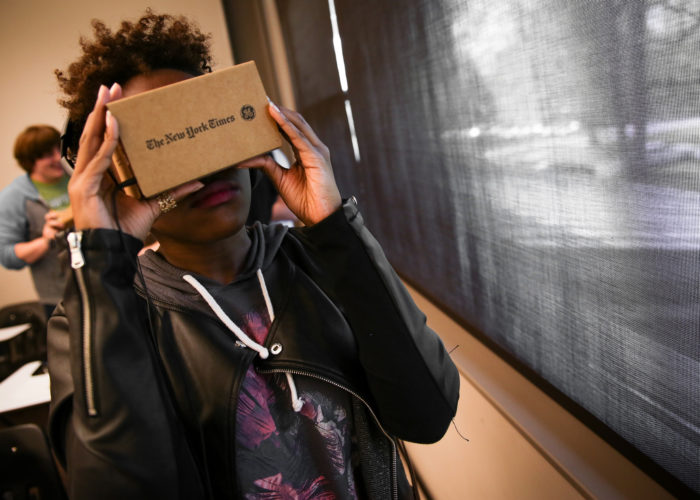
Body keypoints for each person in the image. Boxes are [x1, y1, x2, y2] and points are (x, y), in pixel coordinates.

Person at [47, 11, 459, 500]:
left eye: (206, 128)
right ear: (118, 173)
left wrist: (336, 230)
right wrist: (103, 262)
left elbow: (428, 414)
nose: (206, 167)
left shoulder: (321, 260)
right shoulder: (98, 320)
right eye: (164, 146)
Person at [0, 125, 71, 318]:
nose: (58, 157)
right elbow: (7, 255)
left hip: (107, 282)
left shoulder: (78, 175)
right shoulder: (13, 198)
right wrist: (47, 240)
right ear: (30, 162)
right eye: (48, 154)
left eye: (59, 149)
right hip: (61, 298)